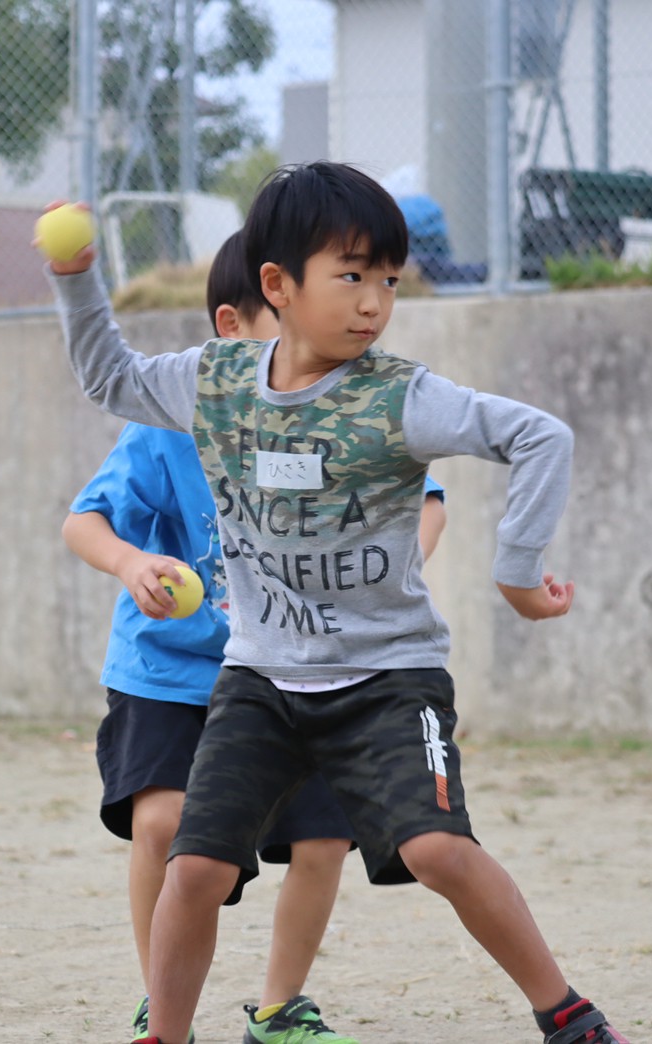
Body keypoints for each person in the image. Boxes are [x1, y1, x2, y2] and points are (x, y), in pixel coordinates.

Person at [41, 161, 628, 1044]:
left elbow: (539, 435)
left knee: (436, 850)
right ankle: (166, 1034)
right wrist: (76, 278)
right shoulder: (219, 383)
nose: (372, 302)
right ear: (277, 284)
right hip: (261, 681)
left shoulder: (400, 398)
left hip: (388, 680)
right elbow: (107, 379)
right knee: (193, 867)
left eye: (388, 280)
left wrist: (516, 571)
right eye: (350, 275)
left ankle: (567, 1014)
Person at [63, 228, 447, 1043]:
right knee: (162, 825)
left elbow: (433, 499)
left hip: (298, 671)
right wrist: (133, 564)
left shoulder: (343, 410)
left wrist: (383, 572)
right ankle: (159, 1001)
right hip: (169, 672)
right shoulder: (174, 418)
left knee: (325, 836)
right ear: (234, 328)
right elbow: (85, 521)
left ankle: (280, 1007)